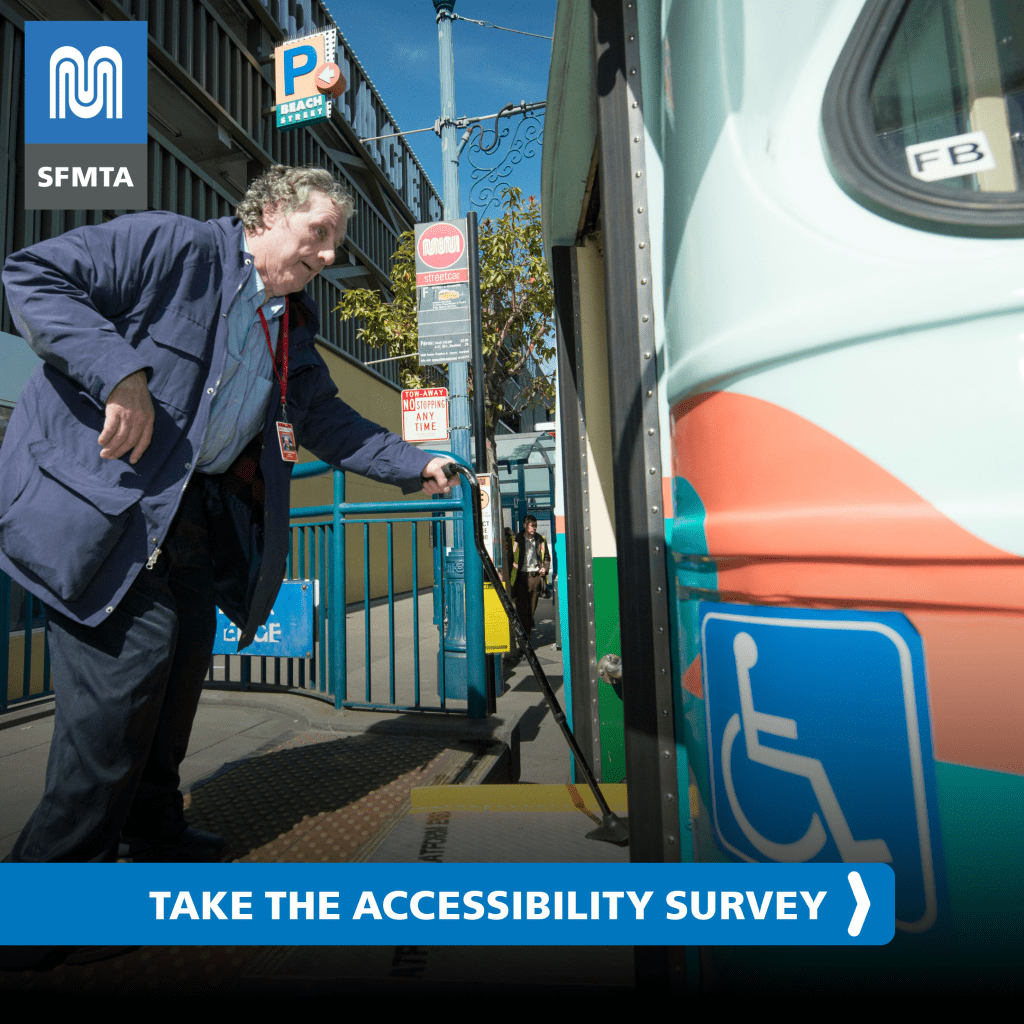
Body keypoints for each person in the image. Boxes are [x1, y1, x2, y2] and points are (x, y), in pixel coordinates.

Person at [0, 165, 456, 865]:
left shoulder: (289, 329)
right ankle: (46, 892)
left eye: (336, 243)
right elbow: (31, 273)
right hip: (100, 511)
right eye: (320, 234)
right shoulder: (173, 246)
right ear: (271, 212)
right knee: (131, 673)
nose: (330, 257)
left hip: (188, 520)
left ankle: (151, 830)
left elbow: (329, 421)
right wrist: (120, 374)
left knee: (178, 674)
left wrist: (415, 463)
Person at [509, 515, 550, 637]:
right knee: (522, 611)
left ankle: (526, 636)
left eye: (535, 526)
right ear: (525, 526)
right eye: (531, 526)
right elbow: (511, 558)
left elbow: (547, 558)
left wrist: (545, 568)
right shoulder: (516, 540)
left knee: (531, 611)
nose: (534, 528)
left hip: (535, 578)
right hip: (520, 578)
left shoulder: (540, 540)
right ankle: (525, 639)